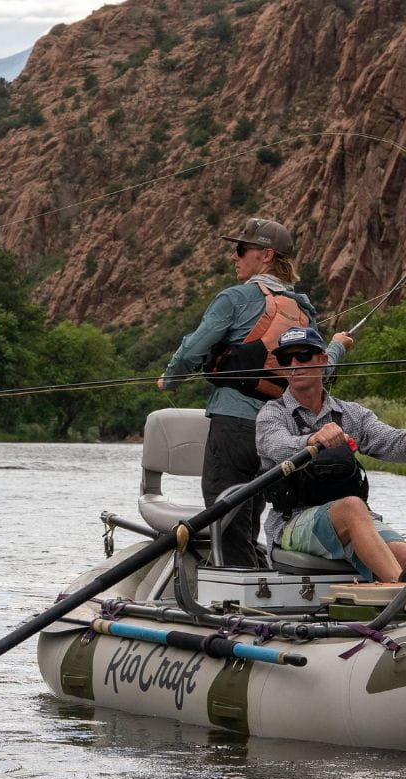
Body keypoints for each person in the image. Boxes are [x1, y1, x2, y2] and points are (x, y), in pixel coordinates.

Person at [160, 218, 350, 567]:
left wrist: (169, 380)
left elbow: (192, 350)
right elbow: (322, 368)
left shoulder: (235, 298)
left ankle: (235, 600)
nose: (234, 257)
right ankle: (255, 583)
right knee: (249, 516)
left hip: (233, 424)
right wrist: (337, 346)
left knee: (224, 511)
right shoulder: (303, 309)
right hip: (277, 428)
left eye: (240, 249)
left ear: (265, 256)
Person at [253, 326, 406, 583]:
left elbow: (390, 443)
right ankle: (405, 597)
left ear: (323, 360)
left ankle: (388, 606)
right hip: (292, 523)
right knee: (353, 506)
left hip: (350, 520)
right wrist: (312, 440)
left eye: (303, 356)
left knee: (403, 556)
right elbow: (275, 446)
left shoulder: (352, 414)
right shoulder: (272, 413)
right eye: (286, 359)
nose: (294, 364)